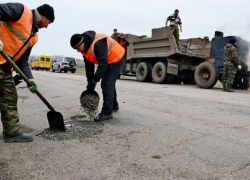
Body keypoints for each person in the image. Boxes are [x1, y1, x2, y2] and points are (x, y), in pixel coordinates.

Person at [0, 3, 55, 143]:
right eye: (48, 22)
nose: (47, 26)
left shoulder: (33, 37)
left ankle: (12, 132)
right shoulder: (20, 11)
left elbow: (22, 60)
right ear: (42, 16)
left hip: (4, 68)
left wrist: (30, 79)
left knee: (9, 98)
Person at [70, 31, 125, 121]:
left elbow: (103, 64)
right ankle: (113, 105)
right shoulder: (85, 49)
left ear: (82, 42)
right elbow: (89, 66)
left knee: (107, 83)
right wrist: (89, 80)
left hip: (116, 57)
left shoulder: (98, 43)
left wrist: (95, 80)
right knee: (109, 83)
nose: (78, 51)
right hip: (107, 60)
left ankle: (107, 112)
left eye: (78, 48)